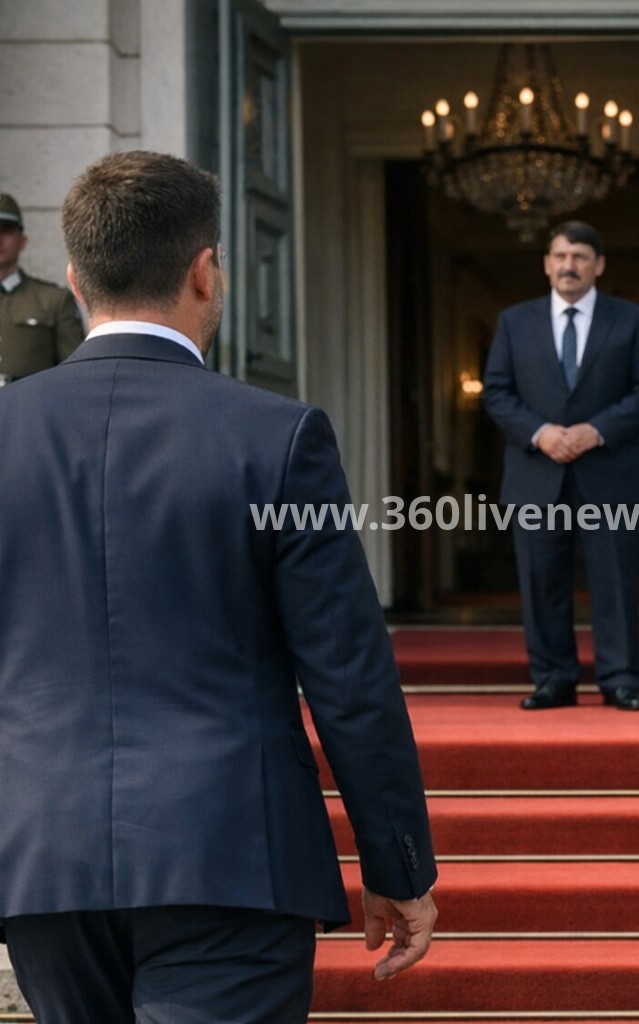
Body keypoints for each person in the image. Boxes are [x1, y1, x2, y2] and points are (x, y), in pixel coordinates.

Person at [0, 151, 438, 1023]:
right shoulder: (278, 436)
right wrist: (397, 864)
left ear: (77, 281)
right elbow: (348, 675)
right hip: (231, 849)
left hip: (42, 855)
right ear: (206, 272)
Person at [483, 220, 639, 711]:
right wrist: (540, 433)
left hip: (609, 471)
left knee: (616, 582)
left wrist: (595, 430)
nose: (569, 265)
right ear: (546, 264)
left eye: (580, 257)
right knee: (541, 582)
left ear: (598, 265)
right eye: (561, 256)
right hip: (536, 473)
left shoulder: (632, 320)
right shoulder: (514, 322)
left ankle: (621, 680)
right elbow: (496, 392)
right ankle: (553, 679)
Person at [0, 192, 84, 380]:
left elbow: (74, 374)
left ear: (22, 241)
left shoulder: (54, 300)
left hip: (30, 399)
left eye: (6, 231)